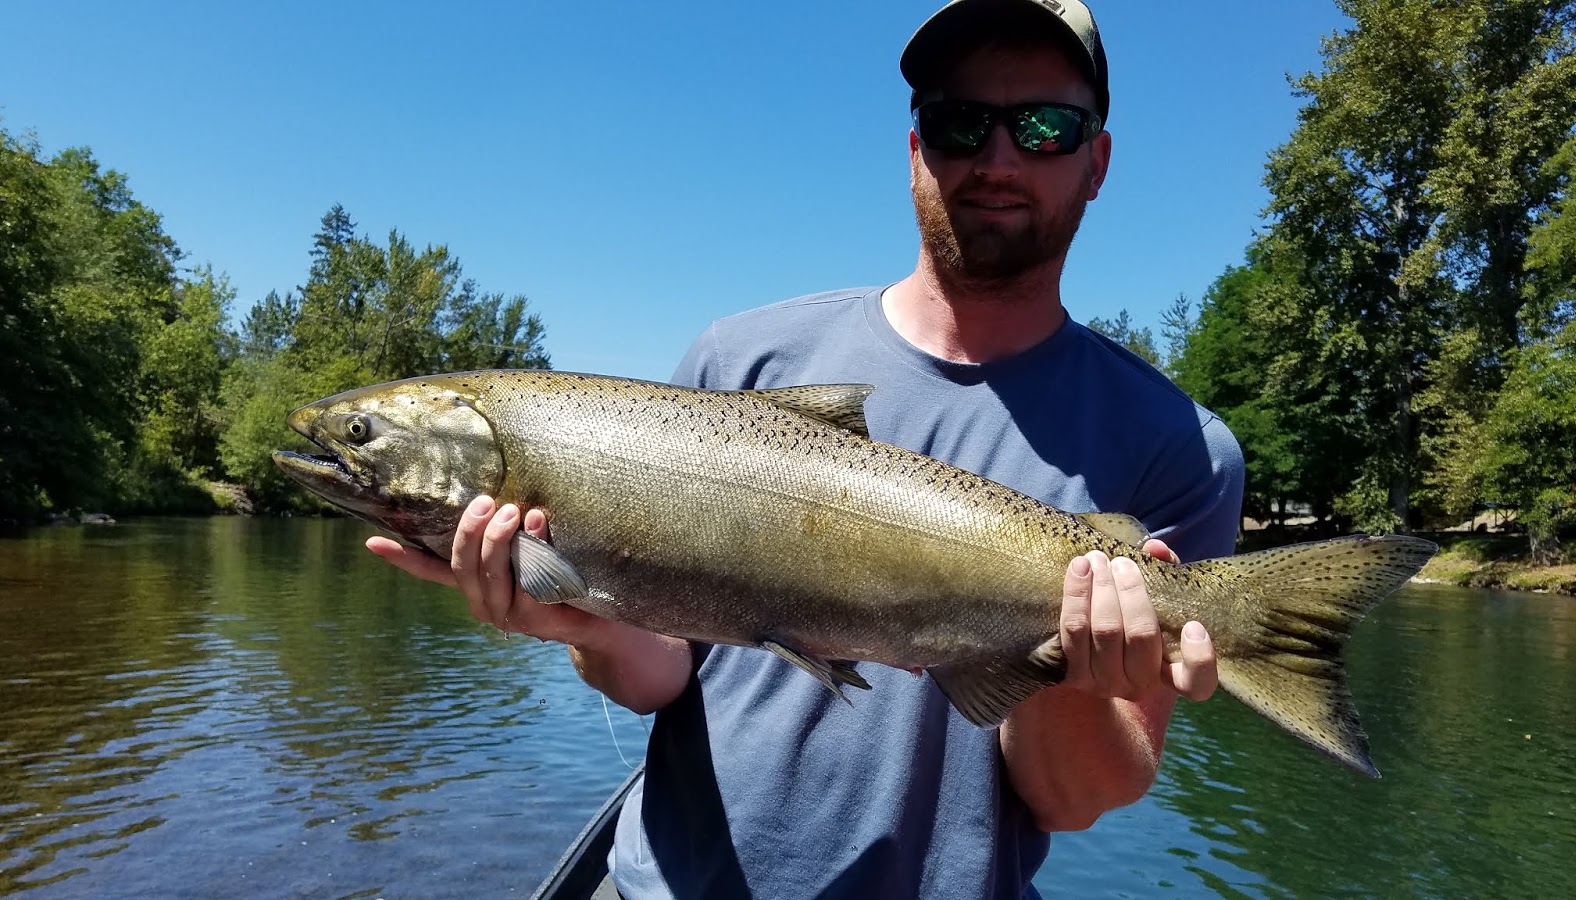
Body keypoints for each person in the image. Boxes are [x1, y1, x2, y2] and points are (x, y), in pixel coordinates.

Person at [369, 0, 1245, 897]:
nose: (997, 158)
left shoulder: (1180, 449)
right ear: (916, 150)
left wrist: (1067, 670)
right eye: (960, 122)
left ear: (1097, 161)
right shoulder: (738, 359)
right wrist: (579, 621)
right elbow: (659, 675)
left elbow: (1071, 800)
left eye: (1045, 127)